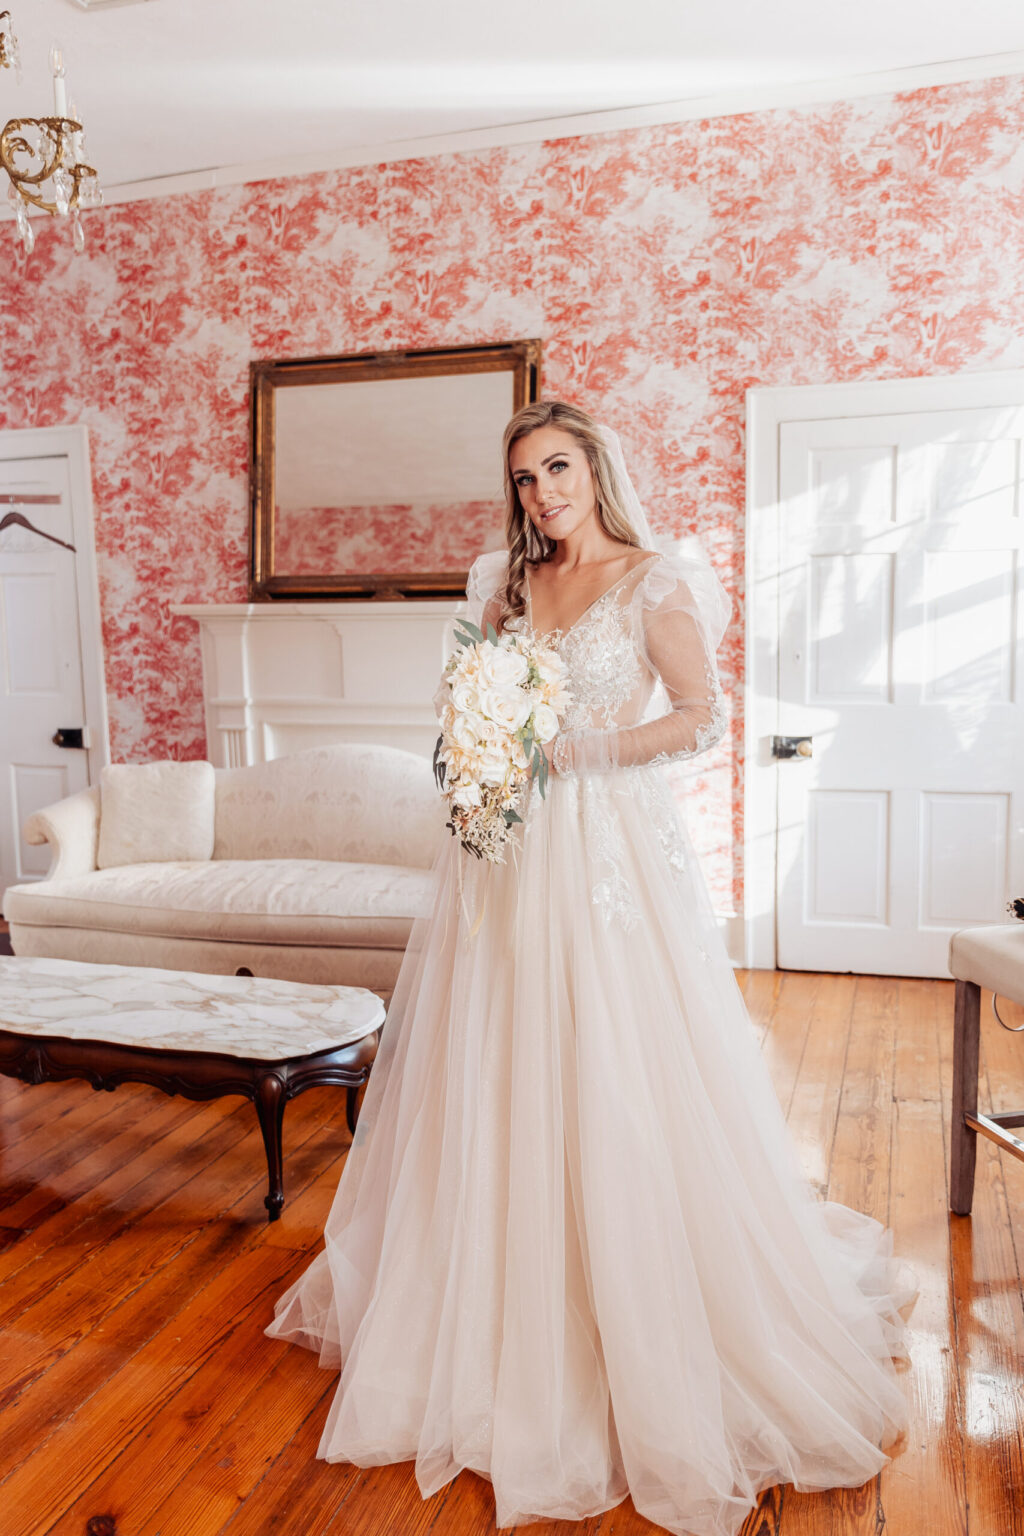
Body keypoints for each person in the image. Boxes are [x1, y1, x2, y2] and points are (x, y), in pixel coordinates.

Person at [266, 399, 916, 1536]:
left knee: (611, 1055)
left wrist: (575, 750)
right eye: (522, 479)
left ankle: (632, 1299)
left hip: (605, 849)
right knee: (499, 1054)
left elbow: (700, 719)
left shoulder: (654, 581)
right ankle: (487, 1296)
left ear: (595, 468)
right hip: (502, 853)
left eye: (556, 469)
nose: (541, 495)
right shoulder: (500, 585)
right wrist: (471, 750)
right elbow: (462, 700)